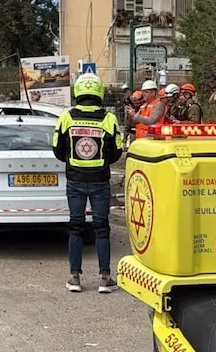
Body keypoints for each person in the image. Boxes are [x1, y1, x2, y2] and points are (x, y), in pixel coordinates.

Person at [51, 74, 123, 293]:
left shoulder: (66, 116)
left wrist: (73, 163)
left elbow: (57, 149)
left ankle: (74, 277)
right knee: (101, 228)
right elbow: (117, 151)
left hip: (75, 180)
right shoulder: (109, 118)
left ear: (78, 92)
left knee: (76, 226)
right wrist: (101, 165)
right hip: (100, 181)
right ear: (99, 92)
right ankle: (105, 277)